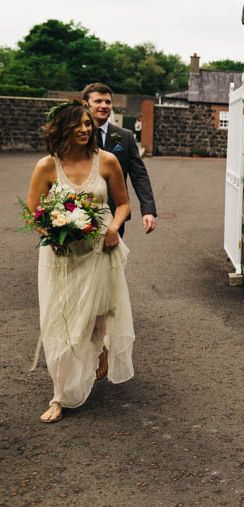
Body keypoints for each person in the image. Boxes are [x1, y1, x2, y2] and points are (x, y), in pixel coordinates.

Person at [27, 101, 135, 423]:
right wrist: (54, 230)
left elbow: (124, 204)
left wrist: (114, 228)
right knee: (60, 324)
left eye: (89, 124)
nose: (87, 130)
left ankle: (99, 347)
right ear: (63, 130)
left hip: (101, 249)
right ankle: (60, 396)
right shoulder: (47, 166)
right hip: (61, 255)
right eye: (80, 126)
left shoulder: (108, 161)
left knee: (96, 314)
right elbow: (33, 212)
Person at [81, 83, 157, 237]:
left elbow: (139, 175)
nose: (104, 106)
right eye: (98, 101)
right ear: (85, 104)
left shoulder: (125, 137)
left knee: (113, 260)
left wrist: (148, 210)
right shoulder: (74, 136)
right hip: (80, 214)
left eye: (108, 102)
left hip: (116, 214)